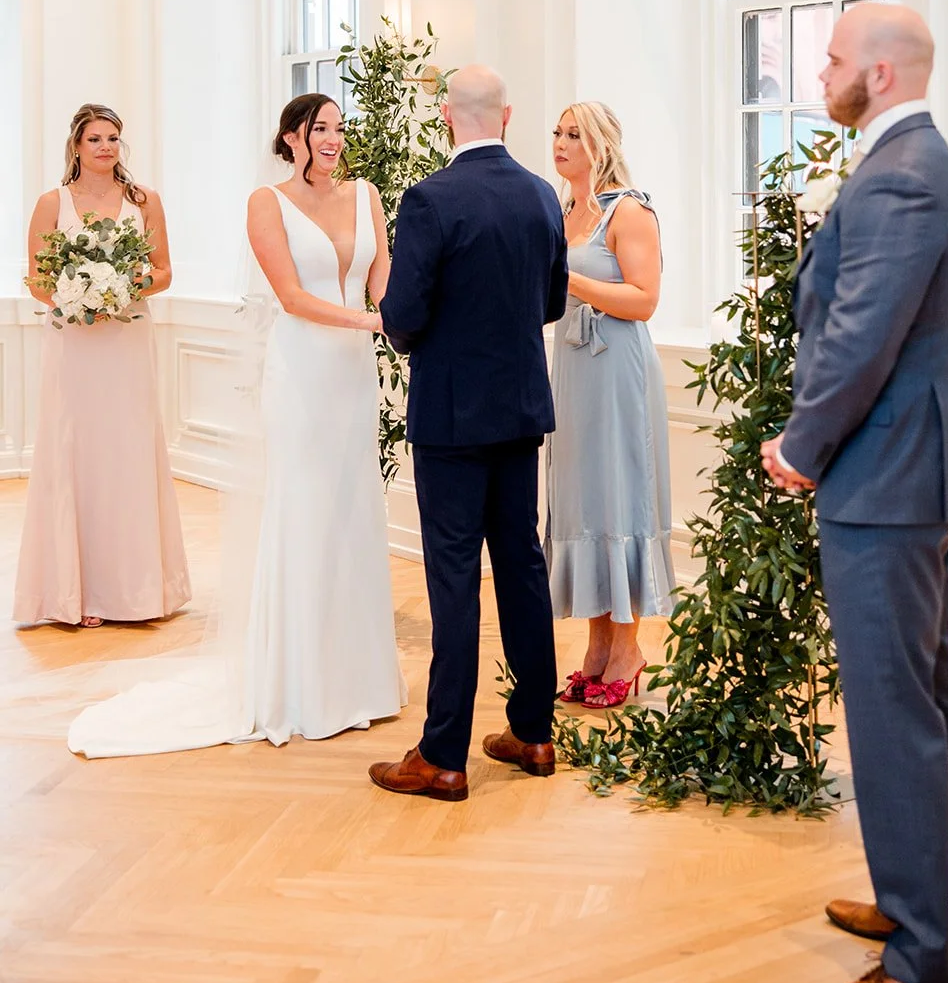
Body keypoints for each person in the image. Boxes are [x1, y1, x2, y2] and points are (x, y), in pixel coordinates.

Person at [760, 4, 948, 983]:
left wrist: (799, 447)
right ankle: (929, 911)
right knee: (928, 701)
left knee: (894, 717)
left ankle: (923, 969)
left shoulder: (897, 172)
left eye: (836, 57)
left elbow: (858, 337)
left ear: (881, 74)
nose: (822, 70)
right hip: (913, 472)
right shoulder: (916, 158)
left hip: (881, 475)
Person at [68, 93, 405, 754]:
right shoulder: (265, 203)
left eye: (339, 128)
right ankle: (298, 683)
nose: (334, 138)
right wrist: (372, 322)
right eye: (320, 128)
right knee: (303, 510)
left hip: (352, 375)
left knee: (352, 508)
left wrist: (411, 316)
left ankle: (360, 680)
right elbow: (292, 297)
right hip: (303, 370)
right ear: (291, 139)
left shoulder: (366, 195)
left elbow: (384, 281)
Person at [369, 66, 568, 802]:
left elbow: (406, 311)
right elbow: (550, 300)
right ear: (508, 116)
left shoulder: (430, 198)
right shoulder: (540, 194)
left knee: (453, 577)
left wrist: (405, 327)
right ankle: (534, 732)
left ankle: (443, 753)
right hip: (518, 409)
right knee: (521, 566)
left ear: (447, 117)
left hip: (452, 414)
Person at [15, 103, 190, 629]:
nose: (106, 147)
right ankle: (76, 592)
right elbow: (38, 281)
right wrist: (77, 297)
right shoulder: (53, 203)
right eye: (95, 139)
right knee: (77, 454)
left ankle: (136, 590)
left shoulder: (144, 202)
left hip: (127, 340)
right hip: (75, 347)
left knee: (127, 453)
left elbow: (162, 272)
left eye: (113, 137)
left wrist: (119, 289)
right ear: (76, 146)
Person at [545, 102, 675, 708]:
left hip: (619, 369)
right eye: (557, 132)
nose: (561, 142)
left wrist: (566, 278)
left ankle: (629, 649)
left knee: (621, 494)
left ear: (600, 144)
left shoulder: (631, 210)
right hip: (571, 370)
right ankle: (596, 650)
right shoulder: (558, 209)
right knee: (585, 500)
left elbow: (643, 300)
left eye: (574, 134)